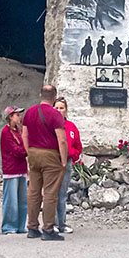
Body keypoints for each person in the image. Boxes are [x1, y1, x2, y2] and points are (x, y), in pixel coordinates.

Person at [20, 85, 68, 241]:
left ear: (40, 95)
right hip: (50, 155)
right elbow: (62, 140)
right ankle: (48, 228)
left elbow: (24, 135)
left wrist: (28, 153)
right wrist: (63, 160)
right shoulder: (55, 115)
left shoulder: (30, 112)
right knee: (50, 193)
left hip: (33, 154)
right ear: (54, 96)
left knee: (33, 192)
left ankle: (32, 227)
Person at [54, 99, 83, 234]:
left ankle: (62, 223)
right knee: (52, 193)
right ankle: (52, 223)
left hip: (67, 162)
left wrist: (73, 155)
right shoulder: (50, 126)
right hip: (54, 161)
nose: (59, 111)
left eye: (62, 108)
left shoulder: (71, 127)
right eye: (57, 108)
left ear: (66, 110)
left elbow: (77, 145)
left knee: (62, 194)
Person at [0, 107, 28, 234]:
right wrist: (28, 151)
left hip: (21, 169)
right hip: (11, 170)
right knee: (11, 200)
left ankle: (20, 225)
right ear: (10, 116)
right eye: (17, 115)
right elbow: (15, 150)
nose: (20, 117)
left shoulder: (20, 131)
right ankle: (9, 226)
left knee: (22, 200)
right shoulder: (6, 132)